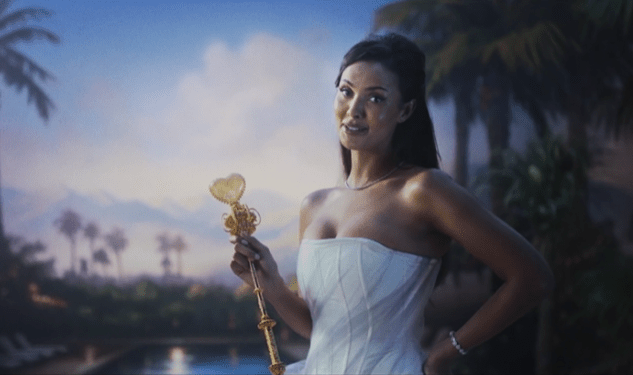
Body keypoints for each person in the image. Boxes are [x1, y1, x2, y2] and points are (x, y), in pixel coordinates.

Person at [229, 33, 554, 375]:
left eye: (376, 98)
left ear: (406, 110)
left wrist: (446, 352)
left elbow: (533, 277)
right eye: (346, 91)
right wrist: (271, 284)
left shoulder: (422, 191)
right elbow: (324, 331)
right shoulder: (314, 205)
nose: (354, 110)